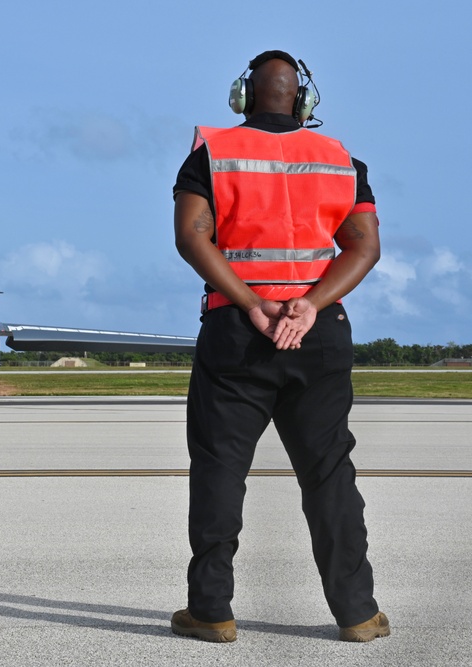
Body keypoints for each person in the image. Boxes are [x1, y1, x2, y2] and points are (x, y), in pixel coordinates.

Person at [170, 50, 389, 643]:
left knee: (220, 471)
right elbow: (363, 248)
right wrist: (310, 305)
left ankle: (212, 612)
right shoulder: (343, 160)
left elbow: (192, 237)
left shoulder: (211, 155)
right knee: (329, 475)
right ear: (303, 99)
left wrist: (251, 302)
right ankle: (359, 613)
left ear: (243, 96)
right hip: (317, 334)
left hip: (239, 332)